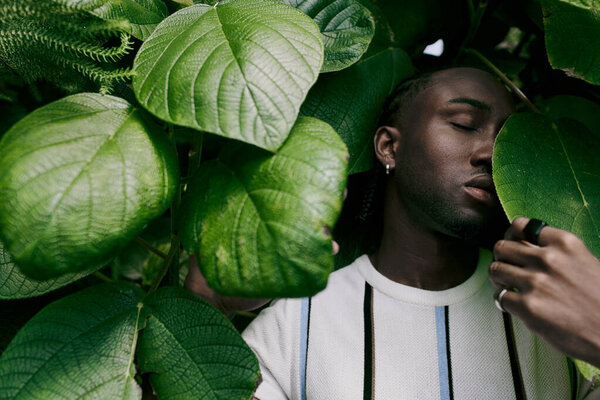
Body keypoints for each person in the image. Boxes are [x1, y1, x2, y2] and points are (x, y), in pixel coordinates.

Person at [187, 67, 600, 399]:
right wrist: (204, 309)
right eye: (463, 123)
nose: (491, 152)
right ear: (388, 146)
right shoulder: (298, 324)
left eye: (506, 138)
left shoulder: (555, 316)